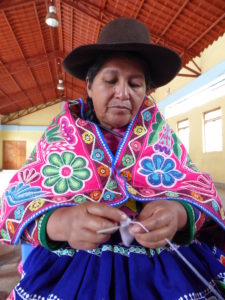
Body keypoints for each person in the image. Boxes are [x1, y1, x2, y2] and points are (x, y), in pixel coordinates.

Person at [0, 17, 225, 300]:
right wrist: (63, 222)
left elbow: (203, 195)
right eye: (110, 80)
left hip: (163, 266)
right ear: (89, 85)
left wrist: (178, 214)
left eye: (135, 84)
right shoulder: (61, 134)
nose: (123, 93)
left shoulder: (160, 134)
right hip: (73, 266)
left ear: (146, 92)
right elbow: (15, 203)